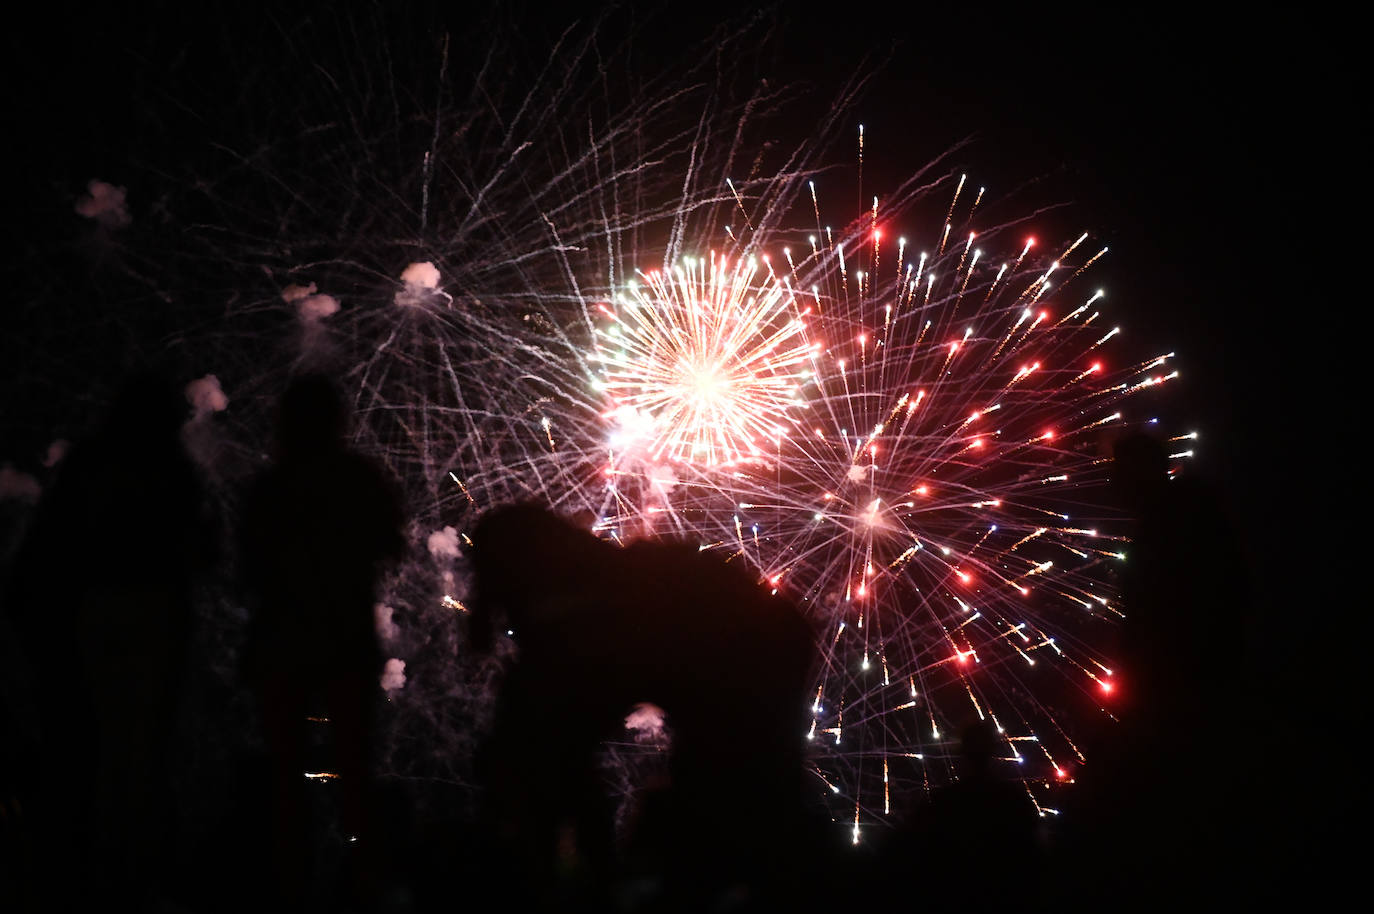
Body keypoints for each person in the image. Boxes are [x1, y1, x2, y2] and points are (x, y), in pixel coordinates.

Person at [468, 503, 816, 909]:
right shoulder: (590, 592)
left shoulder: (591, 613)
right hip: (759, 640)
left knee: (733, 793)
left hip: (754, 651)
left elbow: (560, 740)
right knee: (729, 795)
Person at [239, 373, 405, 905]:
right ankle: (363, 885)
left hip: (283, 640)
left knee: (286, 772)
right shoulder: (358, 477)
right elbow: (392, 542)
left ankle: (290, 885)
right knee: (356, 768)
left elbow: (245, 566)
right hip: (345, 639)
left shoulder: (272, 484)